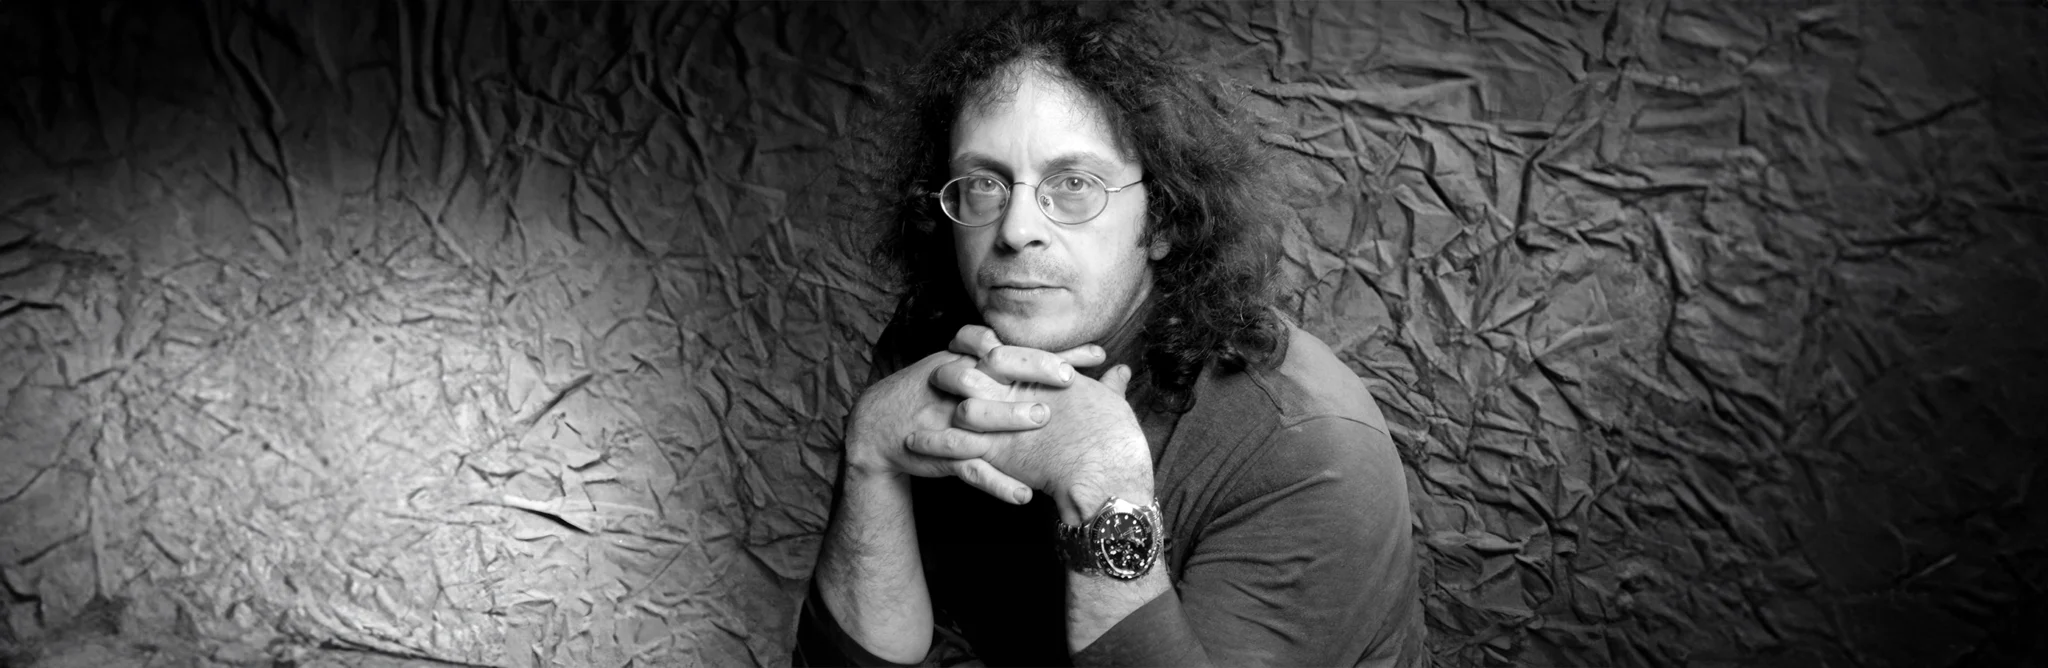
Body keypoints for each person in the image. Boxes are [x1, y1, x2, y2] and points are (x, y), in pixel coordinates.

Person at [796, 8, 1424, 667]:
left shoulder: (1306, 445)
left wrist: (1106, 493)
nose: (1015, 230)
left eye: (1075, 184)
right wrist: (868, 456)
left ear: (1163, 221)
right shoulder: (932, 347)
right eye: (984, 183)